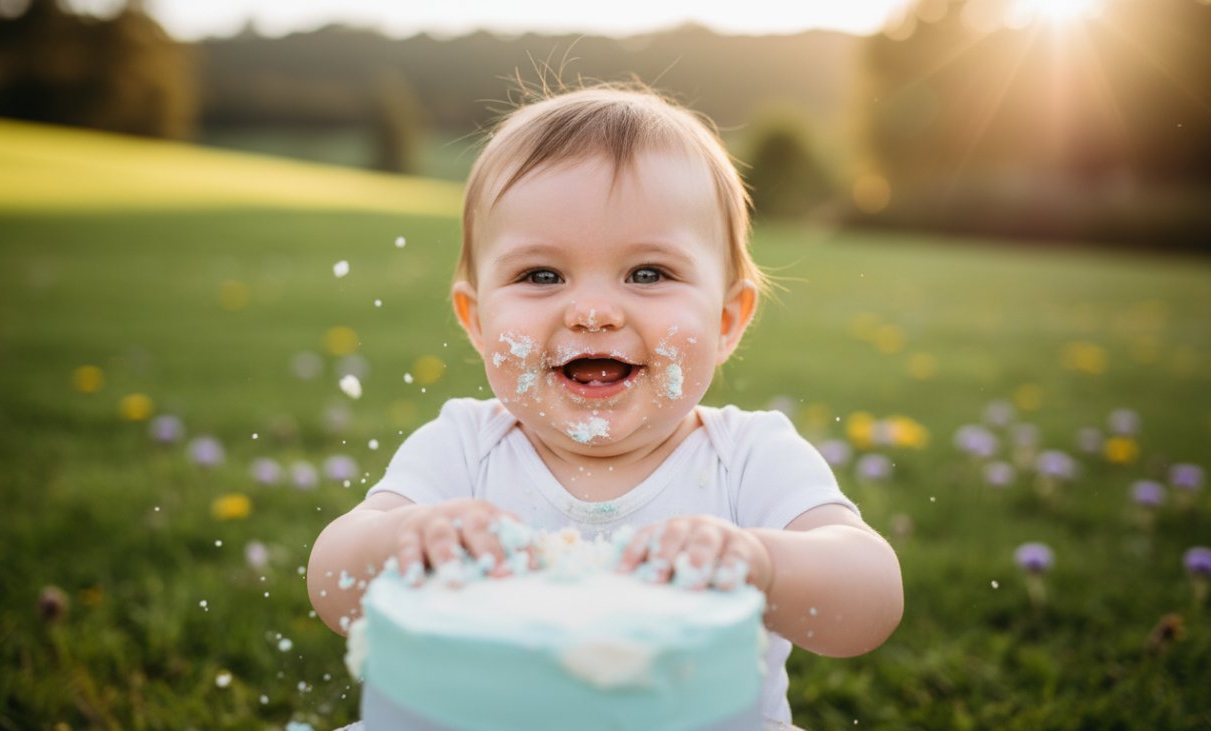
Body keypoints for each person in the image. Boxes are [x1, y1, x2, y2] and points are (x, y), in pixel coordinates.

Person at [308, 81, 903, 729]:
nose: (592, 311)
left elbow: (871, 597)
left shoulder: (749, 459)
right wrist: (401, 540)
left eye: (648, 273)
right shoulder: (462, 449)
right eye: (541, 275)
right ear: (475, 319)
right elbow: (335, 584)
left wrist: (763, 563)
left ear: (727, 319)